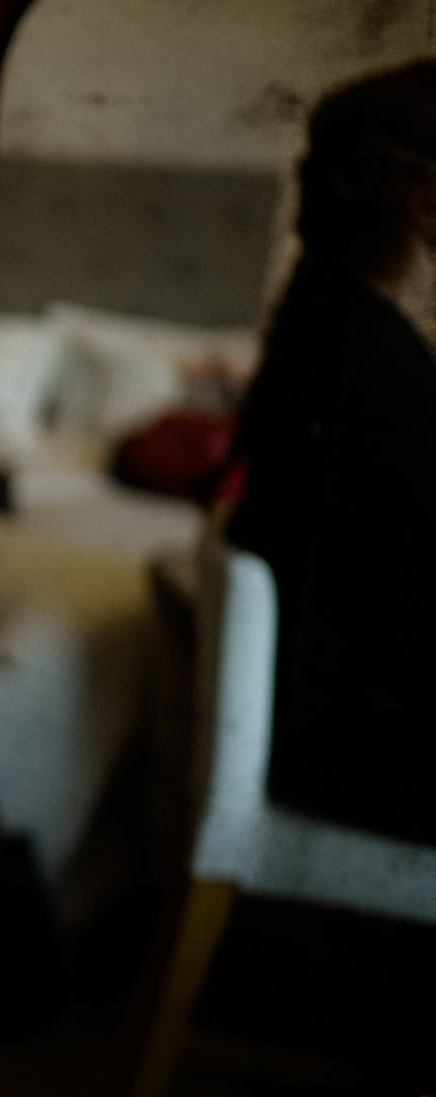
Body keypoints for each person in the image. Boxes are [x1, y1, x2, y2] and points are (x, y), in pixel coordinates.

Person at [224, 58, 436, 845]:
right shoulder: (379, 370)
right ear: (425, 203)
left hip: (323, 726)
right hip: (355, 756)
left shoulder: (322, 323)